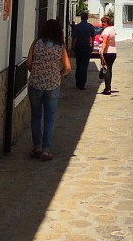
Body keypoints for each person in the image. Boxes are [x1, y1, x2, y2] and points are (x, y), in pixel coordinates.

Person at [26, 19, 71, 161]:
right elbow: (68, 67)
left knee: (36, 116)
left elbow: (28, 63)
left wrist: (37, 72)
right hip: (53, 86)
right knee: (49, 118)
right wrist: (58, 74)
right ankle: (46, 150)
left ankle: (36, 147)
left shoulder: (36, 43)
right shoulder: (60, 46)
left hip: (35, 84)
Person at [70, 11, 96, 89]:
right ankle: (82, 84)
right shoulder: (90, 26)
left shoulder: (77, 27)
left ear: (81, 17)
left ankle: (78, 82)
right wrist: (92, 47)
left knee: (78, 65)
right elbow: (93, 38)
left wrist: (73, 47)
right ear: (87, 18)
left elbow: (75, 38)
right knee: (85, 66)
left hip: (79, 48)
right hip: (87, 48)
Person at [98, 14, 116, 94]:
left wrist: (102, 51)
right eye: (102, 22)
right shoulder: (112, 29)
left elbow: (105, 41)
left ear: (107, 22)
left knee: (106, 70)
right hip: (113, 52)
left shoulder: (106, 31)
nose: (102, 23)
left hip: (107, 52)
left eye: (104, 22)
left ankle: (107, 88)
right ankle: (108, 87)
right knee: (109, 69)